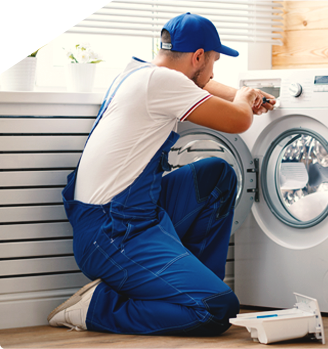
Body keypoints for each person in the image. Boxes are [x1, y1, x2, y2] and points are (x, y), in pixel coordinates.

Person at [47, 12, 275, 336]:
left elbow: (204, 85)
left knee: (217, 176)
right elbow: (239, 121)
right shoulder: (165, 83)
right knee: (217, 310)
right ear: (198, 56)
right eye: (213, 61)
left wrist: (245, 94)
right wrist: (243, 100)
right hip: (113, 234)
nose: (213, 71)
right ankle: (96, 307)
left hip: (128, 216)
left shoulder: (140, 73)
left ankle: (191, 285)